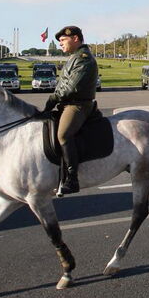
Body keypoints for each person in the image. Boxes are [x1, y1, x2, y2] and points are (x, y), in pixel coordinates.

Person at [42, 25, 99, 195]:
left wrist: (52, 100)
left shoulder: (83, 58)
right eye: (59, 41)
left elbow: (70, 88)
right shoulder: (74, 57)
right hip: (67, 103)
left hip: (78, 105)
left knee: (63, 134)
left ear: (75, 38)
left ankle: (72, 179)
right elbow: (63, 84)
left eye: (63, 40)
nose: (60, 44)